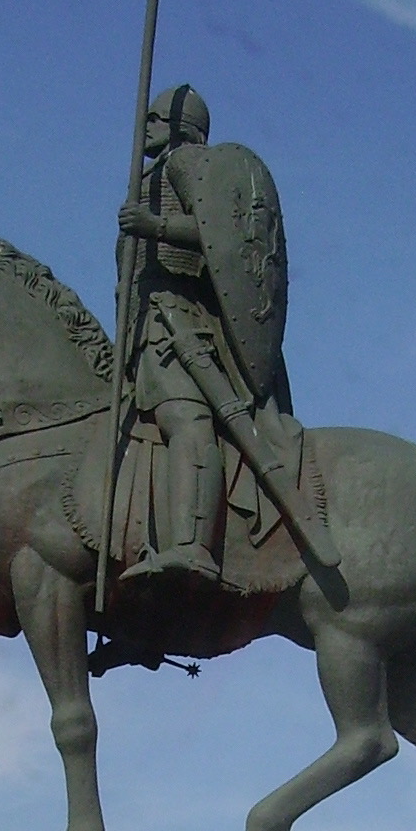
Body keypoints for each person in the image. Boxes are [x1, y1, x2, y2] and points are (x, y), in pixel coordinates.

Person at [114, 84, 337, 581]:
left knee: (185, 424)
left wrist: (155, 226)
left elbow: (225, 235)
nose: (144, 126)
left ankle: (193, 546)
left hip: (179, 324)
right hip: (145, 327)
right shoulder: (154, 174)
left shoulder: (186, 163)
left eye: (156, 118)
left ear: (182, 126)